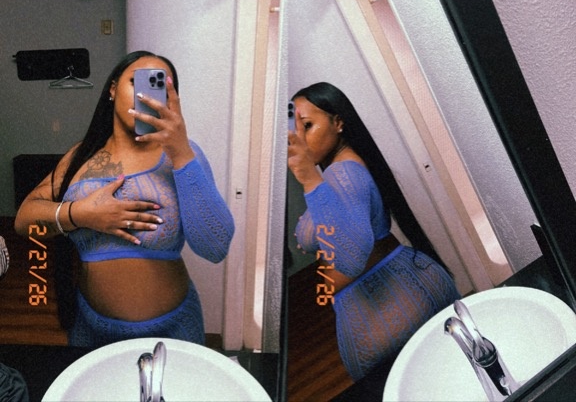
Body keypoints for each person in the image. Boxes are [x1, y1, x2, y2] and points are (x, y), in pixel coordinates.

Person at [14, 51, 234, 347]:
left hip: (173, 330)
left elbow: (215, 247)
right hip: (91, 328)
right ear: (113, 89)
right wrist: (80, 214)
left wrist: (181, 151)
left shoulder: (183, 154)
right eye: (137, 82)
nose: (146, 96)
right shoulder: (81, 155)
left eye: (159, 86)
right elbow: (24, 221)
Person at [288, 82, 459, 382]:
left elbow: (351, 257)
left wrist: (309, 179)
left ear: (338, 122)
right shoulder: (343, 167)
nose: (299, 138)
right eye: (294, 129)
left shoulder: (342, 173)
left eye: (308, 125)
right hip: (392, 290)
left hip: (388, 304)